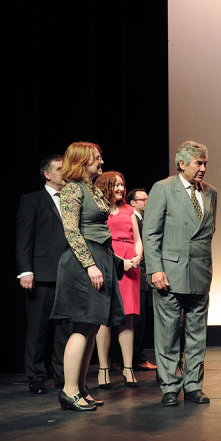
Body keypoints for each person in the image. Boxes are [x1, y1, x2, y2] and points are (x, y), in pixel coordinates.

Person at [49, 142, 127, 412]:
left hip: (100, 258)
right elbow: (71, 231)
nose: (101, 163)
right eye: (97, 159)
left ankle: (81, 388)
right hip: (83, 263)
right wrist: (90, 265)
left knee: (92, 327)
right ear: (83, 161)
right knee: (82, 326)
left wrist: (112, 261)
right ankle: (68, 391)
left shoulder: (92, 188)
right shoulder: (71, 188)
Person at [143, 141, 217, 406]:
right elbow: (150, 233)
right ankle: (170, 387)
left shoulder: (210, 193)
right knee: (168, 334)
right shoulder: (163, 189)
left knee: (197, 334)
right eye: (199, 163)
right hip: (170, 273)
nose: (203, 168)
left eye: (205, 163)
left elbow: (209, 232)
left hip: (199, 272)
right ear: (182, 164)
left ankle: (194, 385)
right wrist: (155, 269)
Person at [16, 154, 72, 394]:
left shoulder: (72, 199)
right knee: (38, 329)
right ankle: (36, 376)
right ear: (47, 174)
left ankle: (62, 375)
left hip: (69, 273)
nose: (65, 173)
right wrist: (25, 271)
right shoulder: (32, 200)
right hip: (42, 273)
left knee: (65, 330)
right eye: (60, 169)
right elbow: (23, 238)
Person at [93, 171, 142, 389]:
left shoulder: (129, 210)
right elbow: (100, 241)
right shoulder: (99, 210)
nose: (121, 189)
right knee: (105, 318)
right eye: (116, 185)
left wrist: (137, 256)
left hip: (132, 264)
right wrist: (121, 261)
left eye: (122, 184)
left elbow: (138, 239)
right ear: (106, 187)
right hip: (110, 261)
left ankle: (128, 368)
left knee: (128, 318)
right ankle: (104, 368)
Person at [127, 188, 156, 372]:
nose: (147, 201)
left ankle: (132, 357)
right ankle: (137, 359)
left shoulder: (146, 220)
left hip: (143, 270)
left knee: (139, 316)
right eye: (142, 199)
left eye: (147, 199)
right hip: (136, 269)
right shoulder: (133, 220)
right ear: (132, 203)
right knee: (136, 317)